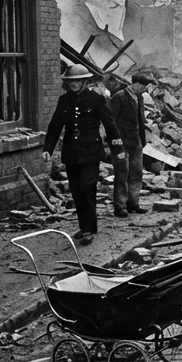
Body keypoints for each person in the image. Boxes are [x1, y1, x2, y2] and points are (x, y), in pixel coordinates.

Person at [43, 65, 123, 245]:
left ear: (84, 82)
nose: (74, 85)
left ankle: (89, 229)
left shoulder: (96, 99)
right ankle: (83, 226)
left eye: (77, 81)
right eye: (71, 82)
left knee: (88, 188)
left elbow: (110, 125)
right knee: (77, 190)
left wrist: (118, 150)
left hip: (91, 153)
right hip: (71, 153)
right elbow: (55, 125)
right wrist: (47, 148)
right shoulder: (64, 101)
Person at [108, 72, 154, 217]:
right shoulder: (119, 97)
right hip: (122, 143)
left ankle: (133, 204)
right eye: (143, 86)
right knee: (122, 174)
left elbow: (141, 121)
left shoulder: (139, 98)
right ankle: (120, 206)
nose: (145, 90)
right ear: (135, 84)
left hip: (136, 143)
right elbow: (110, 121)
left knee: (136, 173)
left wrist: (142, 141)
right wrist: (115, 142)